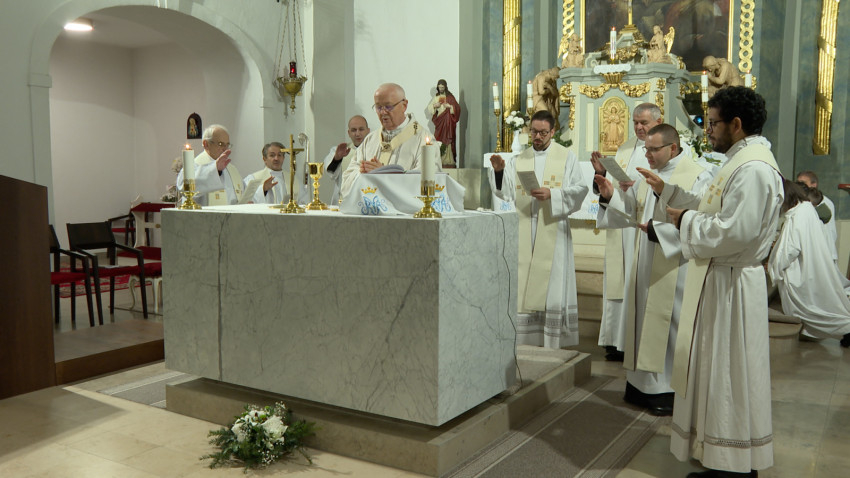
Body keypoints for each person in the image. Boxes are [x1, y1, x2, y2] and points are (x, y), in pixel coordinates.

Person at [638, 86, 781, 477]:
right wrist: (668, 192)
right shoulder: (737, 161)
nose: (708, 130)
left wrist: (686, 221)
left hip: (734, 285)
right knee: (717, 371)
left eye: (714, 123)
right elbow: (711, 205)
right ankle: (720, 457)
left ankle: (733, 466)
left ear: (736, 124)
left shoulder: (753, 168)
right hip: (721, 280)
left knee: (730, 373)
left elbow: (735, 231)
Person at [595, 124, 712, 417]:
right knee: (643, 321)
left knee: (669, 324)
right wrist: (610, 196)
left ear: (672, 148)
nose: (646, 154)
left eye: (653, 149)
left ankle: (668, 391)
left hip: (676, 265)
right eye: (645, 149)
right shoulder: (647, 175)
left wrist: (659, 232)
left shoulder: (698, 175)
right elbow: (632, 210)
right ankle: (641, 387)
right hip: (645, 259)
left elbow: (700, 221)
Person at [488, 110, 588, 349]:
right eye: (534, 131)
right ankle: (527, 339)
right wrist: (499, 172)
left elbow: (580, 189)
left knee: (552, 282)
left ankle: (552, 340)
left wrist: (553, 194)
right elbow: (505, 192)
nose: (537, 137)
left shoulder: (566, 157)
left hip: (553, 228)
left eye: (543, 132)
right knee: (524, 281)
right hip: (526, 226)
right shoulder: (519, 159)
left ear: (553, 132)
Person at [590, 103, 663, 362]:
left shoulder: (667, 148)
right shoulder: (624, 148)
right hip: (621, 221)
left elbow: (670, 185)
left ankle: (633, 340)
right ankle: (614, 340)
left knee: (635, 280)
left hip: (645, 225)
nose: (639, 127)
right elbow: (610, 187)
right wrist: (601, 173)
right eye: (635, 122)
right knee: (617, 281)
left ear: (658, 121)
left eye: (644, 122)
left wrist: (638, 187)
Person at [768, 180, 850, 348]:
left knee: (812, 310)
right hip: (809, 267)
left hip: (801, 272)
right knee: (822, 307)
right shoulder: (805, 209)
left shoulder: (798, 215)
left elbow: (791, 248)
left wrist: (776, 266)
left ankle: (846, 329)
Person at [340, 83, 437, 200]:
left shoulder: (424, 141)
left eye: (388, 106)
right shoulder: (370, 140)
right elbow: (346, 183)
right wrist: (363, 174)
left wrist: (384, 175)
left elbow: (428, 184)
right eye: (378, 107)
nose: (383, 112)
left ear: (404, 105)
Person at [176, 124, 244, 206]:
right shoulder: (193, 166)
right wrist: (215, 170)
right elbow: (184, 187)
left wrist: (245, 203)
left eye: (227, 145)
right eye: (220, 144)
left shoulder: (232, 169)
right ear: (206, 144)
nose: (225, 149)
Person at [323, 116, 370, 205]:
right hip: (342, 202)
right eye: (353, 130)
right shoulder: (340, 150)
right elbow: (331, 173)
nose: (357, 134)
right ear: (349, 133)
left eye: (361, 129)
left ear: (368, 131)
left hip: (367, 201)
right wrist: (337, 159)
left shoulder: (375, 151)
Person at [796, 170, 838, 263]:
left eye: (803, 183)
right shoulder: (802, 201)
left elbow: (828, 231)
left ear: (814, 184)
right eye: (798, 183)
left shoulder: (823, 202)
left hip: (824, 253)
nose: (799, 186)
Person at [425, 79, 461, 166]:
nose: (441, 89)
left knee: (448, 137)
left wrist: (450, 106)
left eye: (442, 87)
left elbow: (457, 108)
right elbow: (429, 108)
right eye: (439, 87)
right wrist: (435, 105)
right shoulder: (436, 97)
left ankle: (449, 160)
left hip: (448, 122)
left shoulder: (450, 97)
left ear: (445, 87)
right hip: (440, 121)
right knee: (439, 138)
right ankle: (439, 159)